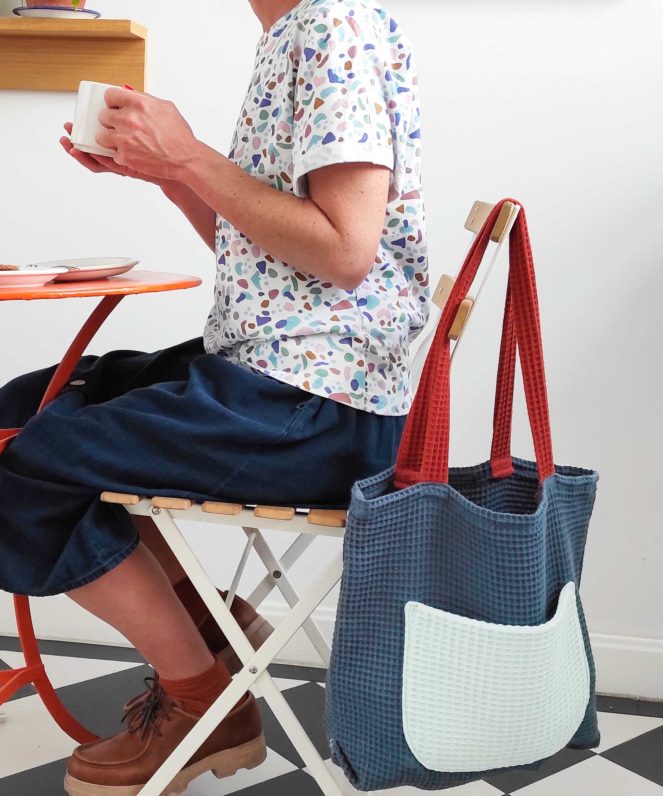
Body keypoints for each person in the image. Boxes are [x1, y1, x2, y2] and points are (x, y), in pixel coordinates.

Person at [0, 0, 428, 793]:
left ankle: (204, 702)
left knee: (19, 467)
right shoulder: (291, 32)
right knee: (26, 405)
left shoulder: (336, 25)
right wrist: (168, 172)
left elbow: (344, 250)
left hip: (314, 406)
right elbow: (278, 254)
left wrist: (190, 155)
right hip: (277, 377)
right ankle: (211, 630)